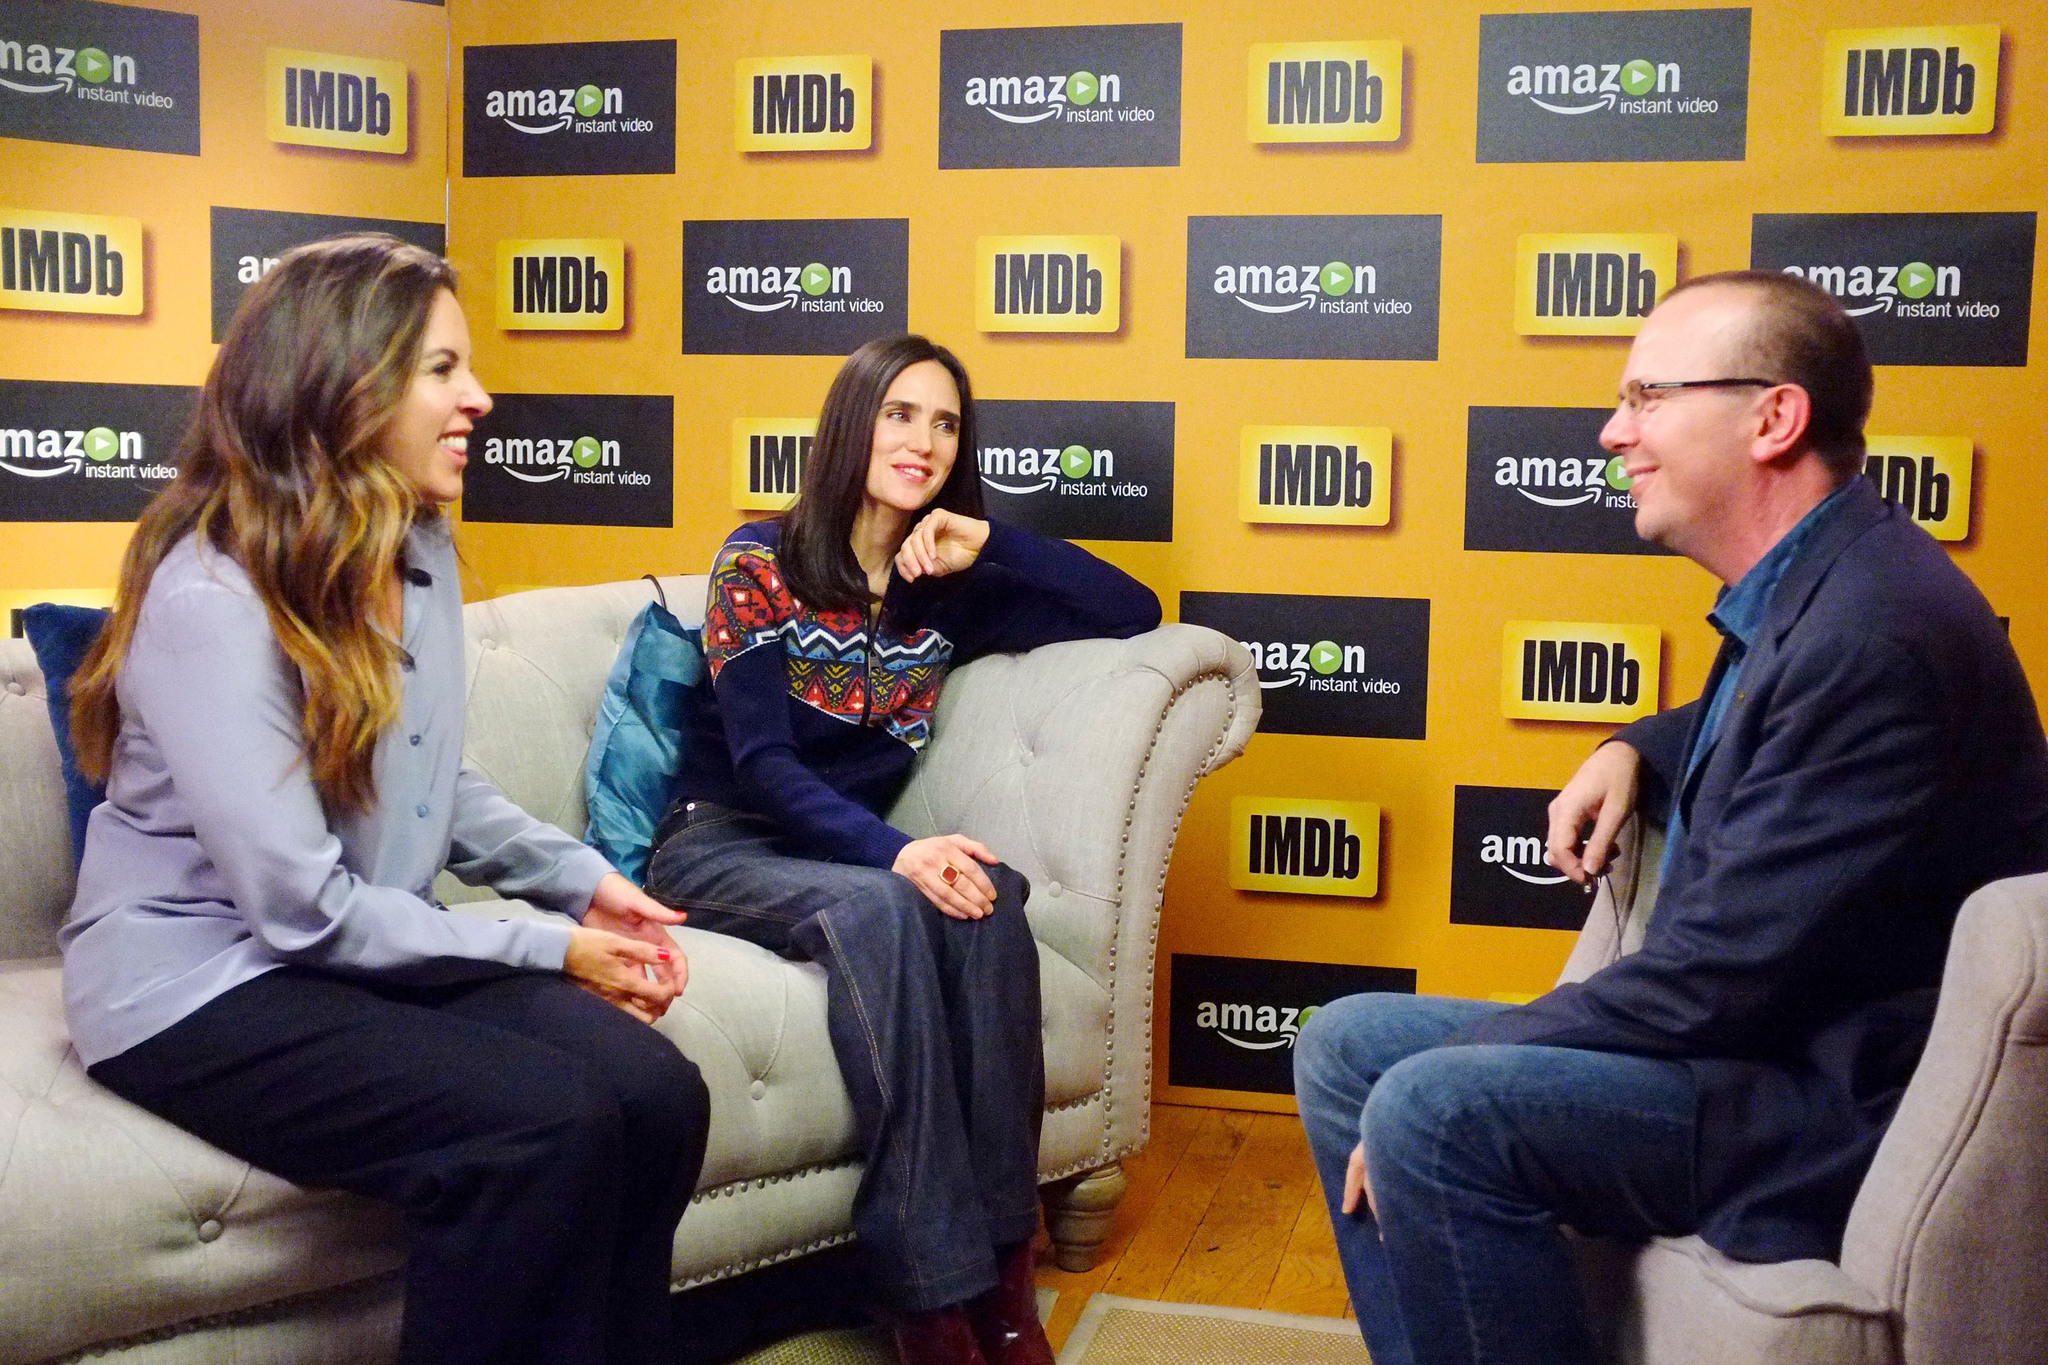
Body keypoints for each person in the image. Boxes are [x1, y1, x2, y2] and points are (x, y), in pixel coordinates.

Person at [1293, 270, 2048, 1365]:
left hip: (1819, 1096)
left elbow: (1711, 982)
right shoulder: (1831, 582)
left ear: (1771, 417)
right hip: (1763, 1051)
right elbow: (1768, 719)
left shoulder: (1869, 633)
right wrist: (1632, 746)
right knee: (1342, 1044)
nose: (1611, 433)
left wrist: (1476, 1048)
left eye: (1646, 398)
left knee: (1429, 1108)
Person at [61, 235, 711, 1365]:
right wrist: (552, 949)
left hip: (334, 955)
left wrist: (585, 883)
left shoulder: (414, 548)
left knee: (657, 1097)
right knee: (537, 1131)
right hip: (196, 987)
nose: (481, 398)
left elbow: (431, 775)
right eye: (443, 370)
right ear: (344, 385)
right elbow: (301, 909)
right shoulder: (211, 596)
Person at [644, 334, 1161, 1365]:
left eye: (944, 422)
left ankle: (1005, 1290)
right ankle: (926, 1305)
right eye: (897, 413)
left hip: (838, 856)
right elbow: (761, 769)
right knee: (894, 903)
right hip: (720, 844)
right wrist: (895, 854)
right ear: (853, 425)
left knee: (990, 895)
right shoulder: (760, 560)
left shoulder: (943, 594)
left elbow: (1130, 609)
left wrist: (991, 544)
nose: (920, 439)